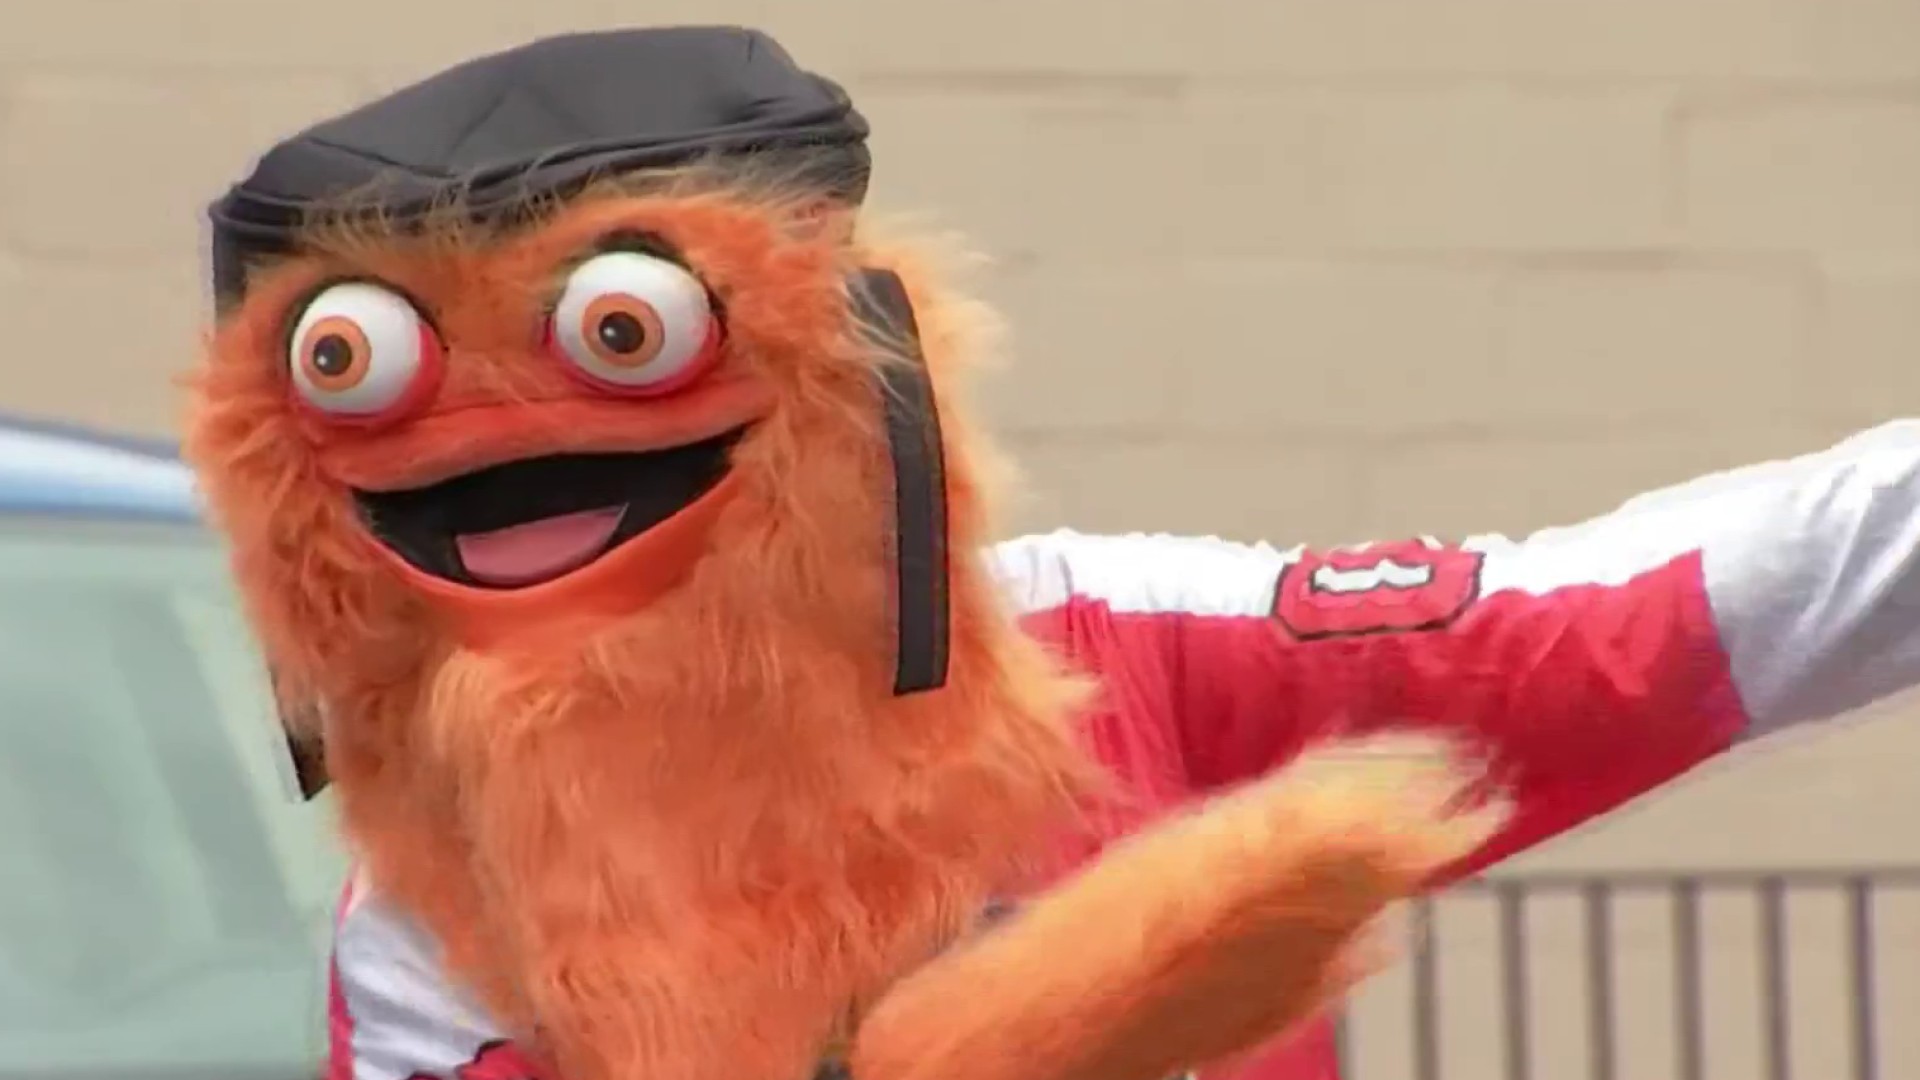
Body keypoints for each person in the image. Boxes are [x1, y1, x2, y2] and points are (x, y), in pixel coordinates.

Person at [183, 25, 1920, 1080]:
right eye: (354, 370)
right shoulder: (429, 918)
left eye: (623, 336)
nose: (494, 431)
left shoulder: (1114, 638)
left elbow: (1623, 623)